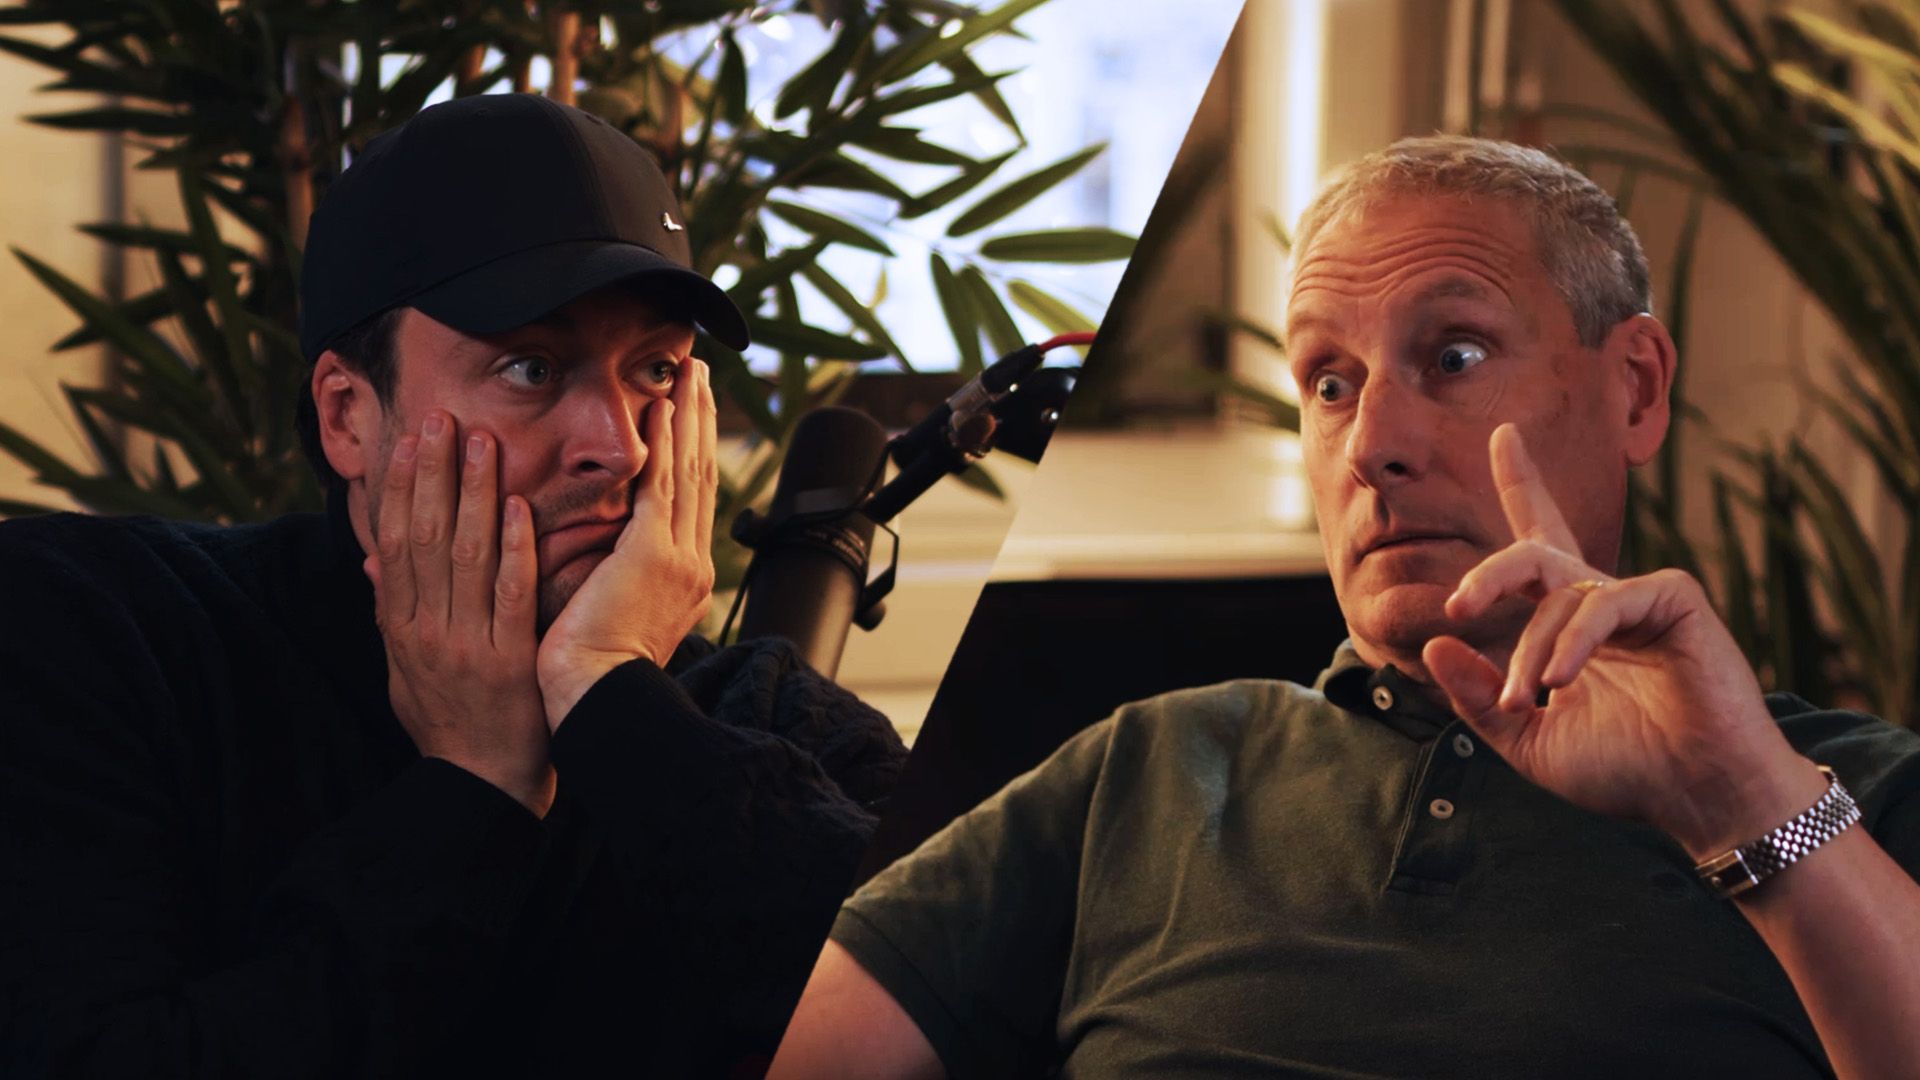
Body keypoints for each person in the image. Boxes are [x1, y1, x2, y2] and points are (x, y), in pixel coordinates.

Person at [766, 136, 1920, 1079]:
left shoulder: (1857, 800)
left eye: (1454, 356)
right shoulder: (1149, 768)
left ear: (1636, 387)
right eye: (1330, 382)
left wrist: (1743, 801)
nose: (1372, 444)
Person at [0, 93, 906, 1077]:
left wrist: (615, 697)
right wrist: (475, 786)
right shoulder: (96, 636)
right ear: (348, 415)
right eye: (531, 368)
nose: (620, 446)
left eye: (654, 370)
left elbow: (940, 1009)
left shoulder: (775, 720)